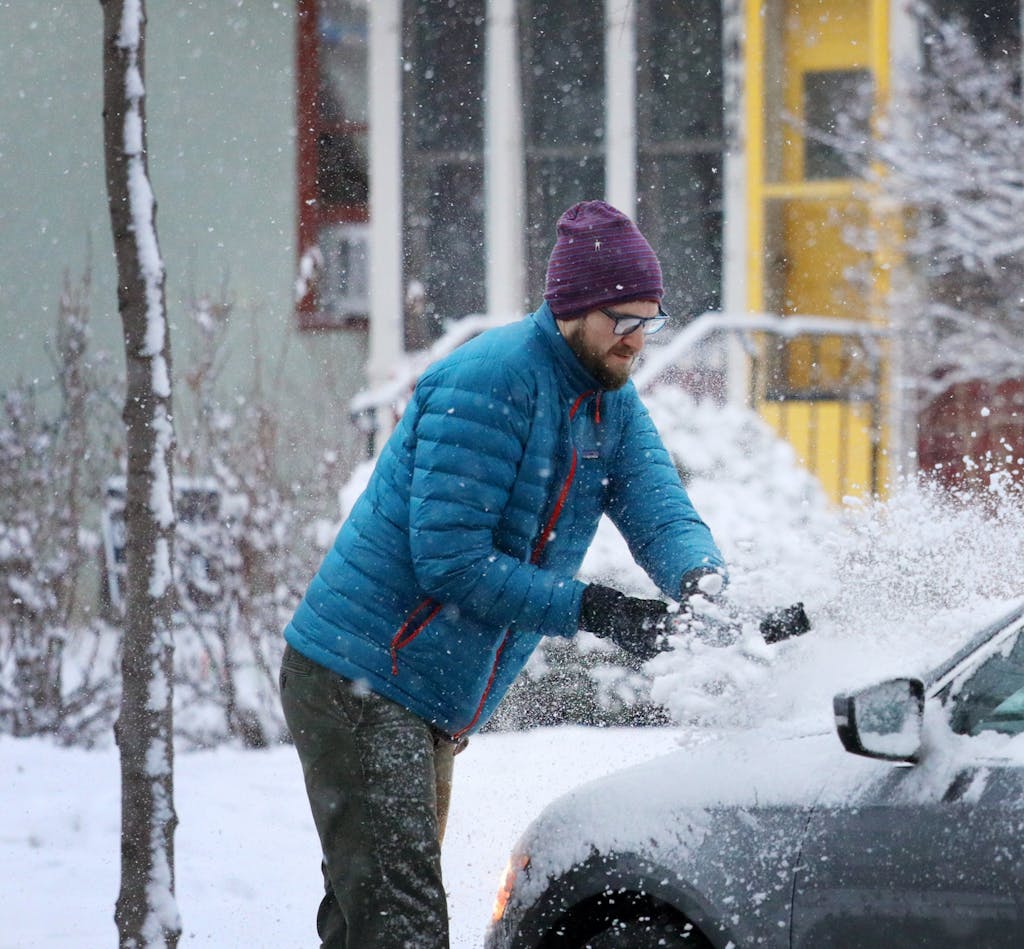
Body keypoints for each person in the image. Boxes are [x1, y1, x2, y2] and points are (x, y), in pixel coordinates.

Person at [280, 200, 725, 949]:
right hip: (361, 676)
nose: (638, 340)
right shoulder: (490, 382)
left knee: (373, 921)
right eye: (624, 320)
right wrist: (596, 609)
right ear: (575, 309)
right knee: (404, 926)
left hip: (418, 693)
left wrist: (701, 584)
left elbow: (657, 505)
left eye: (650, 320)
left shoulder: (607, 399)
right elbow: (452, 562)